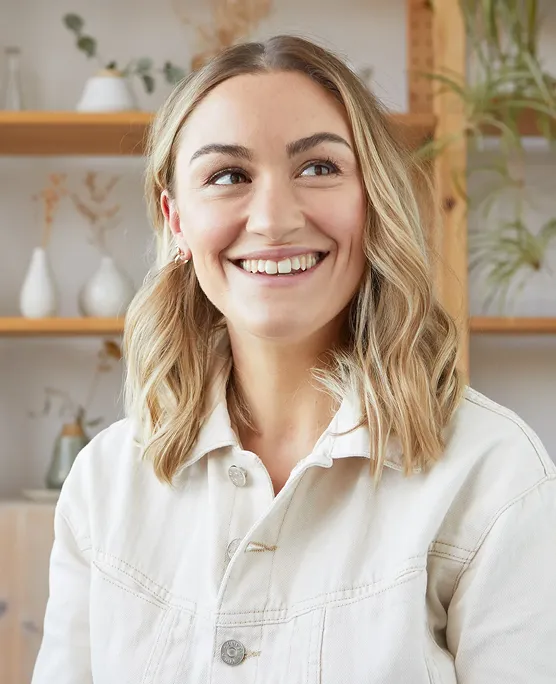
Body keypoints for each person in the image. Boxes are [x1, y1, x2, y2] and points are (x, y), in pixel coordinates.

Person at [32, 35, 556, 683]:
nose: (274, 219)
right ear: (176, 223)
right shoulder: (103, 485)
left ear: (374, 203)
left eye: (319, 169)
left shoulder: (494, 475)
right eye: (228, 176)